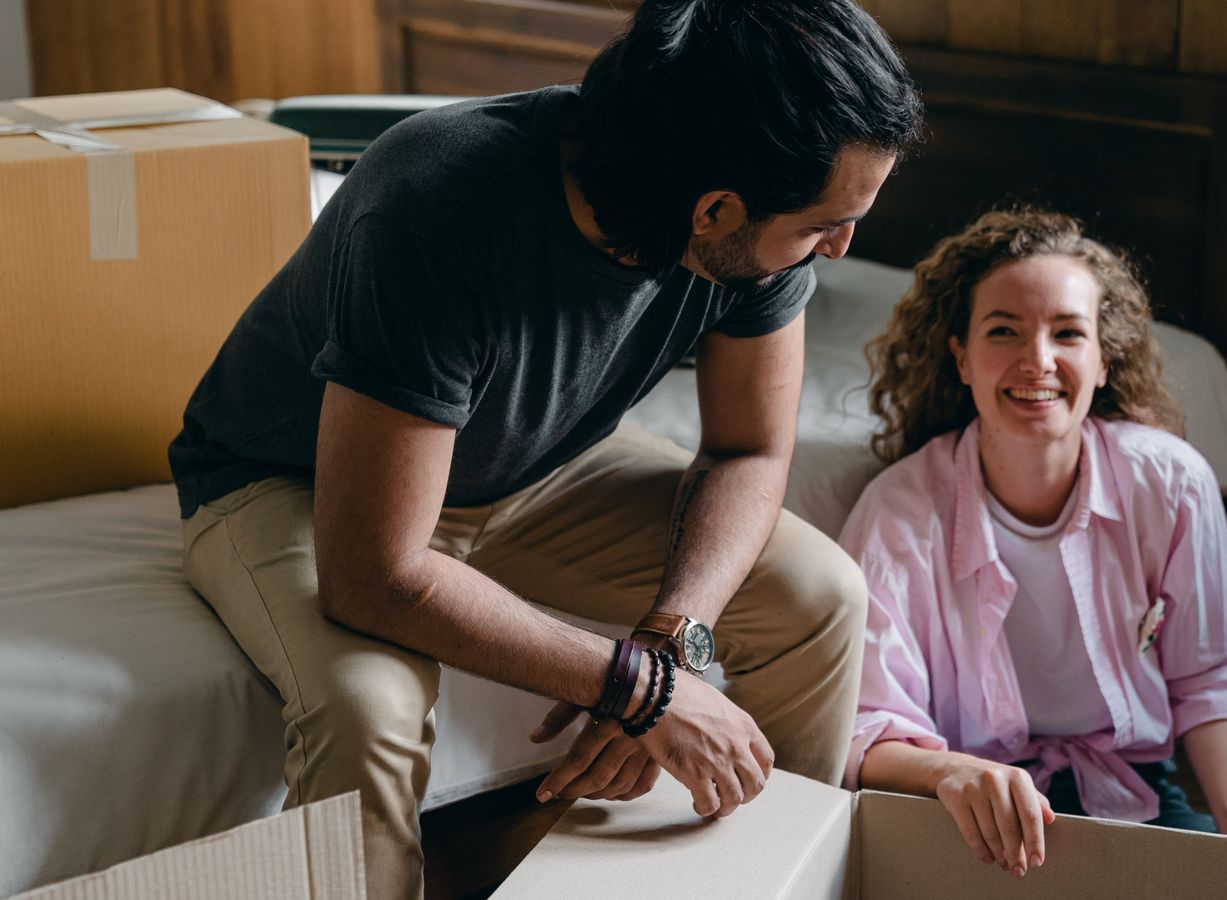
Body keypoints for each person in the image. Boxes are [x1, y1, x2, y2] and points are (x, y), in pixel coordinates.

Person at [166, 1, 922, 896]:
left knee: (821, 595)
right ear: (713, 209)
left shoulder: (753, 224)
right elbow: (375, 572)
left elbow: (749, 451)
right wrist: (638, 691)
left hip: (535, 466)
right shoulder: (434, 202)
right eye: (823, 225)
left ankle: (774, 876)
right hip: (293, 481)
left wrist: (668, 651)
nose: (839, 247)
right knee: (368, 710)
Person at [839, 208, 1227, 880]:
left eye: (1068, 333)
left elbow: (1207, 680)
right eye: (1003, 330)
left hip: (1132, 790)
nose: (1036, 361)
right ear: (960, 356)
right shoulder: (900, 509)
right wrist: (955, 774)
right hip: (960, 806)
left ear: (1103, 359)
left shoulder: (1172, 481)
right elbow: (866, 725)